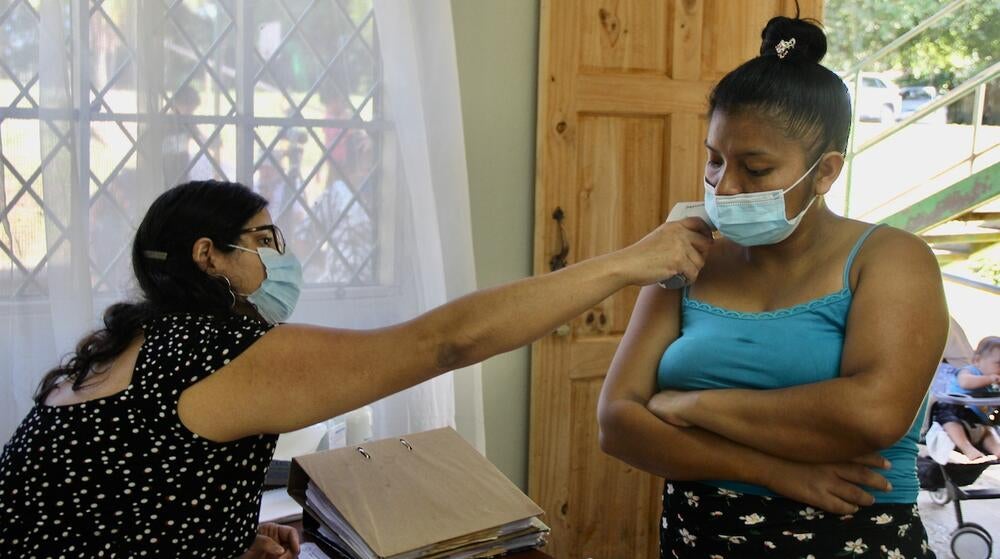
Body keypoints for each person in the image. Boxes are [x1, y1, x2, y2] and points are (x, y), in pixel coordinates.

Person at [0, 180, 712, 557]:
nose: (282, 257)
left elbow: (130, 488)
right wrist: (631, 261)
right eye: (265, 239)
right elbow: (446, 343)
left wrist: (218, 533)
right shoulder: (210, 351)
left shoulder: (132, 345)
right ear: (207, 255)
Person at [598, 15, 948, 558]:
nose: (725, 185)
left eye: (755, 169)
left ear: (826, 172)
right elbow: (618, 423)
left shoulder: (890, 259)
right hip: (697, 538)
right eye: (715, 160)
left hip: (851, 535)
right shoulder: (687, 257)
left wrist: (694, 406)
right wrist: (776, 471)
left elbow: (870, 415)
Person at [932, 336, 1000, 461]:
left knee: (989, 432)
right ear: (977, 360)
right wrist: (988, 379)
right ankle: (967, 448)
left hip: (978, 419)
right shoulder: (970, 371)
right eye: (999, 364)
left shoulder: (995, 384)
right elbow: (964, 383)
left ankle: (997, 450)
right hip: (956, 411)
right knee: (949, 421)